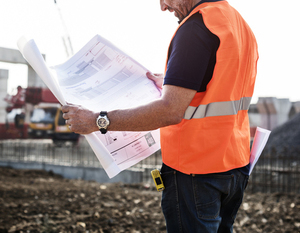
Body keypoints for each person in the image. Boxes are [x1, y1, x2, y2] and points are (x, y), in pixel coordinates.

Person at [62, 0, 258, 232]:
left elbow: (170, 111)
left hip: (195, 171)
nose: (163, 7)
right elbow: (220, 84)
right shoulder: (238, 24)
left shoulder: (195, 28)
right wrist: (175, 81)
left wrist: (97, 120)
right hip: (234, 166)